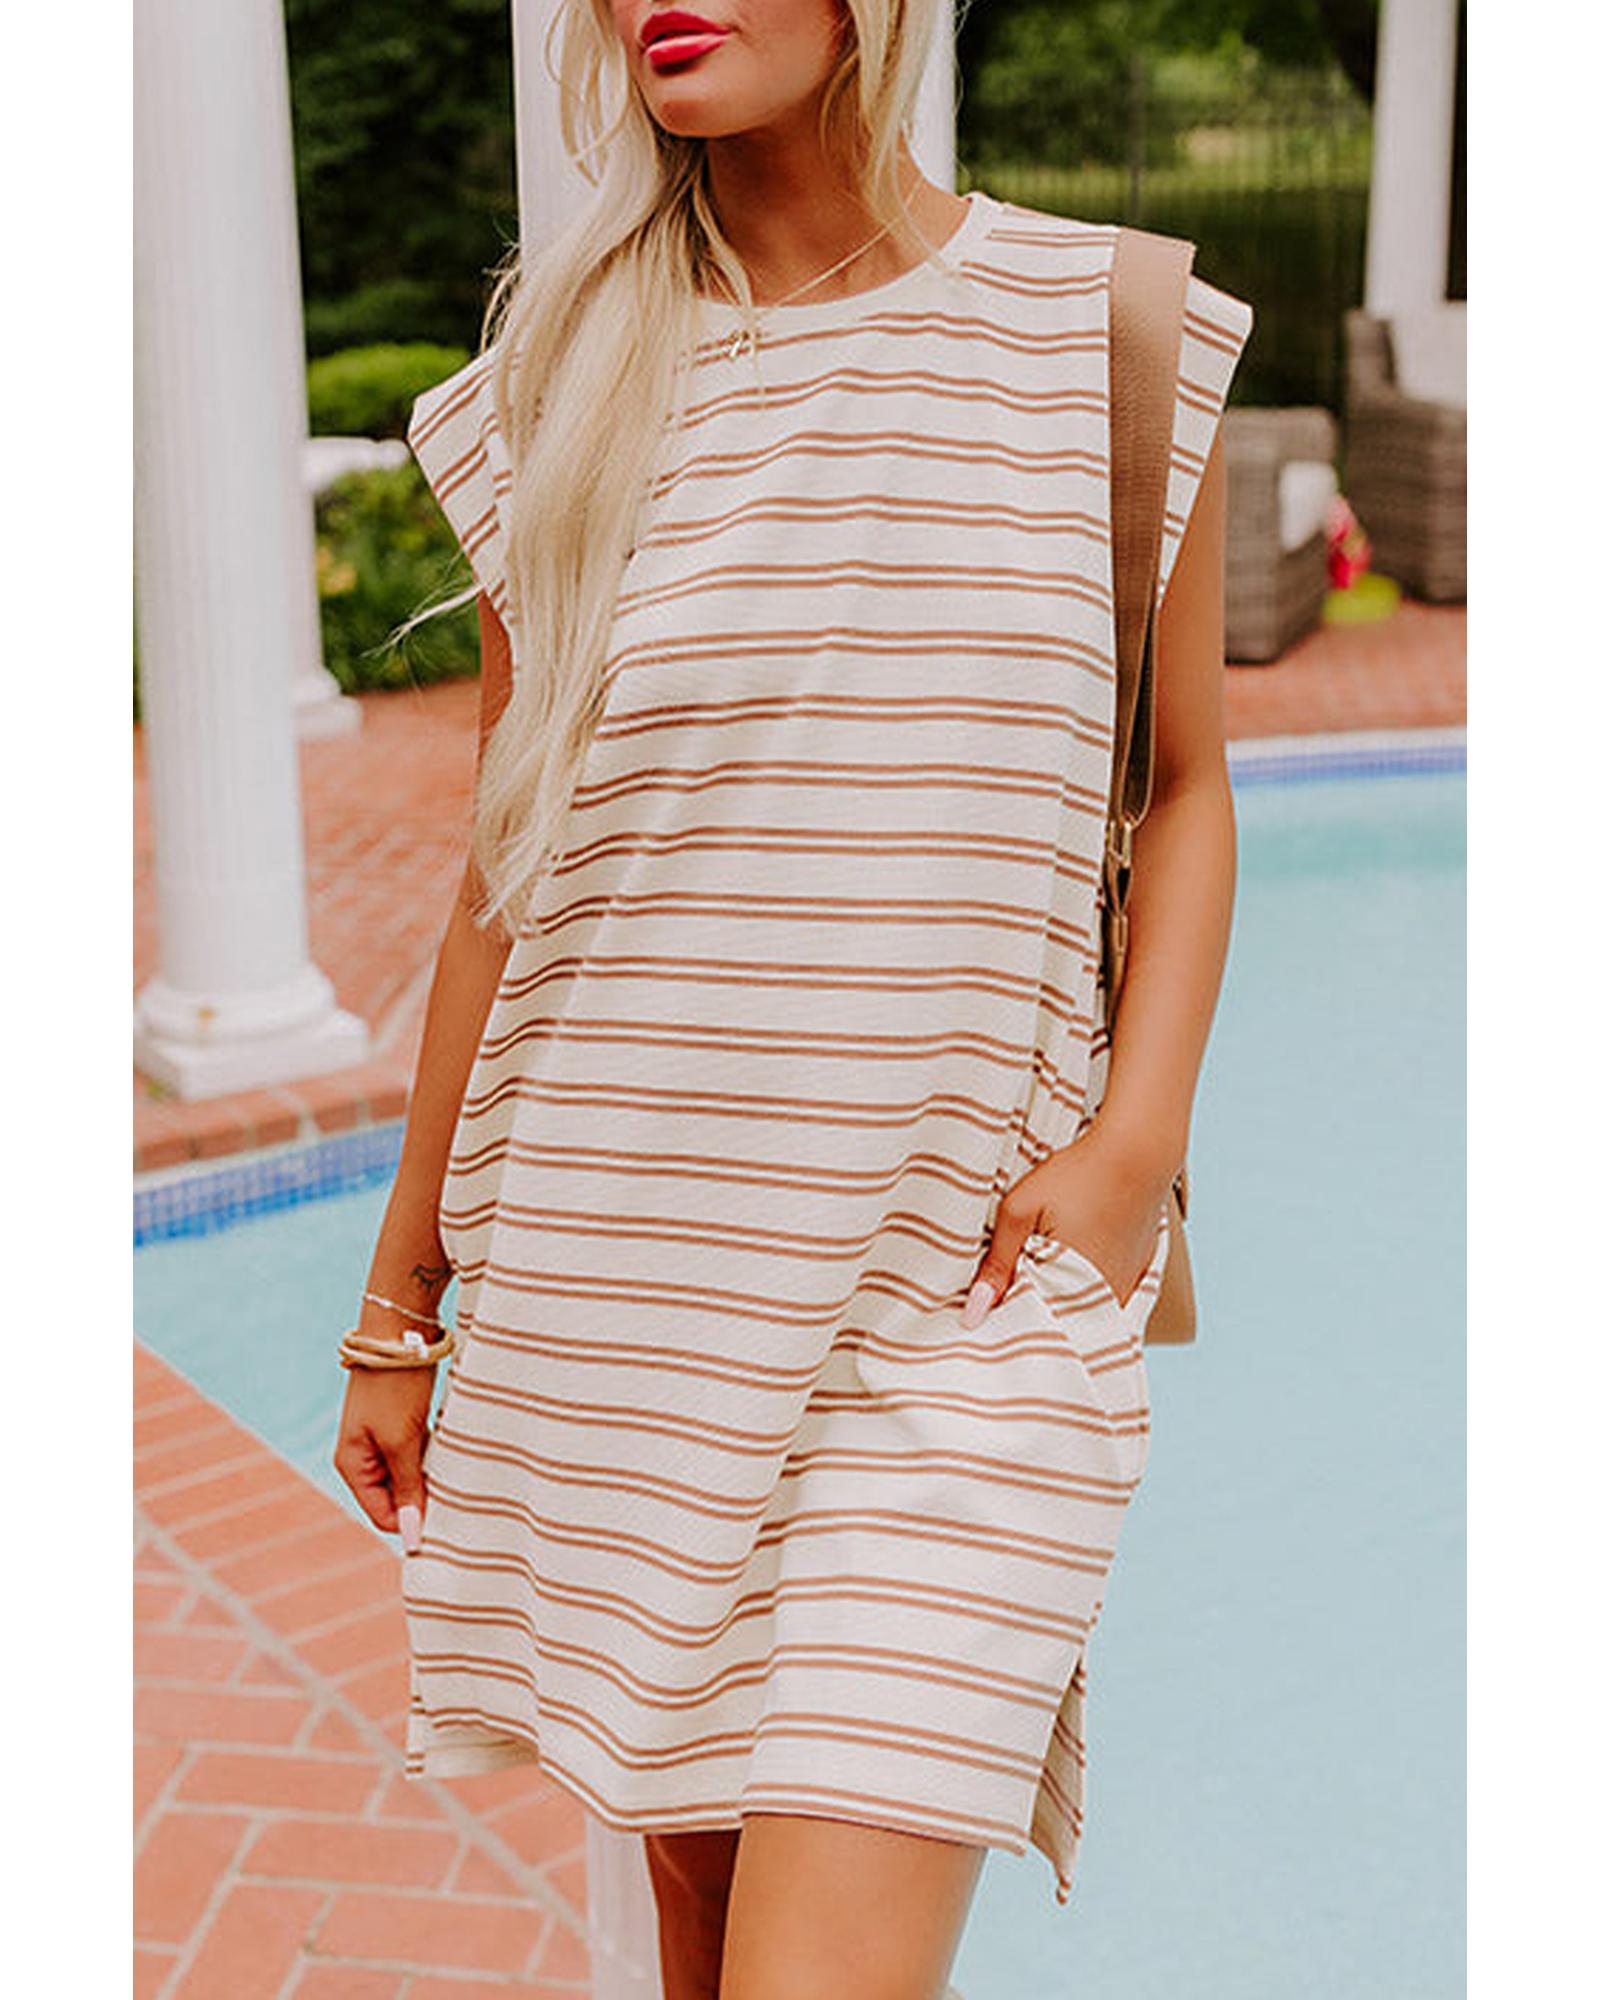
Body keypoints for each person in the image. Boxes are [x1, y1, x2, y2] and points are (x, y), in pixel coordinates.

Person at [334, 3, 1252, 1995]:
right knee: (698, 1919)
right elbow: (505, 873)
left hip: (956, 1319)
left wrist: (1134, 1151)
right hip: (625, 1308)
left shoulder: (1108, 332)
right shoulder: (553, 389)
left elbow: (1184, 789)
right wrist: (400, 1304)